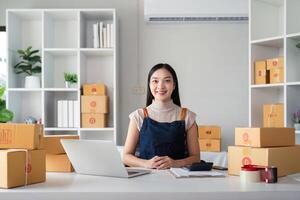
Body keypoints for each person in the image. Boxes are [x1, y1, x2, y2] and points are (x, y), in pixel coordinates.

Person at [123, 63, 200, 170]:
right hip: (145, 180)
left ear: (174, 85)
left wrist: (176, 163)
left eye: (167, 80)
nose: (160, 86)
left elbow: (196, 158)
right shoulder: (138, 116)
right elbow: (126, 157)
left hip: (178, 181)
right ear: (149, 85)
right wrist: (146, 164)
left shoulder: (187, 116)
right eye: (155, 81)